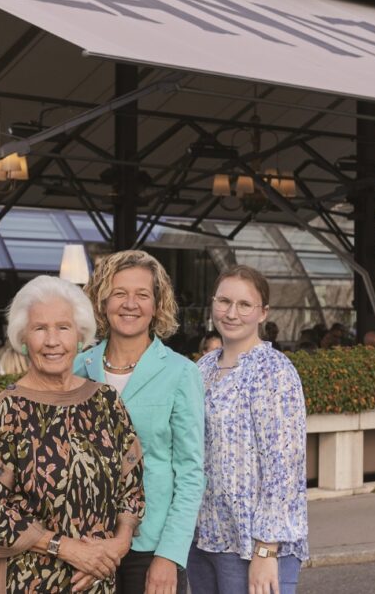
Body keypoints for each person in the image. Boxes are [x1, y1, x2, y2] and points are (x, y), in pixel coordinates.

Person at [0, 275, 144, 594]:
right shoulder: (7, 411)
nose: (53, 341)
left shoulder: (106, 402)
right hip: (31, 583)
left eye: (63, 328)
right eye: (40, 329)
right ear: (23, 339)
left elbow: (131, 488)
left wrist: (117, 545)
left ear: (80, 336)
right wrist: (68, 549)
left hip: (98, 579)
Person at [76, 250, 205, 594]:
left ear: (157, 304)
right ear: (102, 301)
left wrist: (170, 556)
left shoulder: (181, 373)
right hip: (85, 544)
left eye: (142, 295)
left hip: (151, 548)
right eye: (119, 293)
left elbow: (191, 473)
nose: (130, 304)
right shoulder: (77, 367)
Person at [189, 265, 308, 594]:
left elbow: (284, 465)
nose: (231, 313)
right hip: (204, 539)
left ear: (262, 312)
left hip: (253, 544)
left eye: (244, 304)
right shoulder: (202, 369)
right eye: (224, 301)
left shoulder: (274, 371)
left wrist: (266, 550)